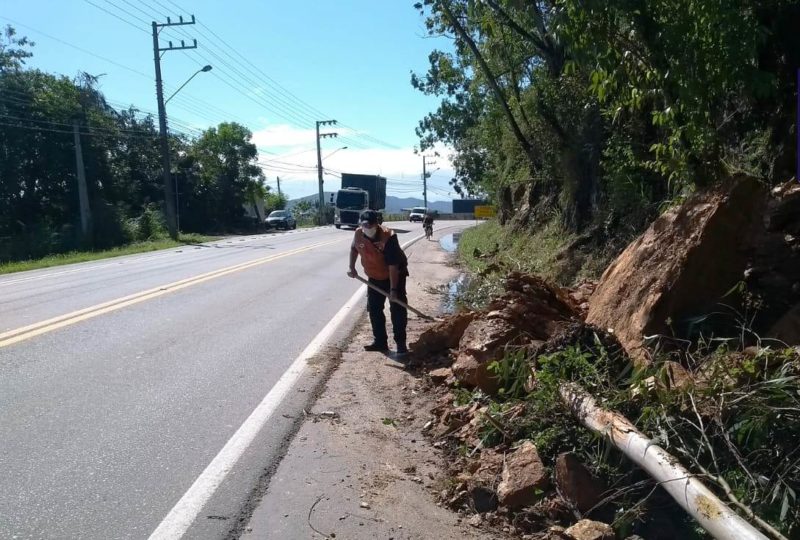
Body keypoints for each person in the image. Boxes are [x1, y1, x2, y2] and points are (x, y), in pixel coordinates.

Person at [348, 210, 409, 355]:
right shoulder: (358, 233)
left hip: (395, 277)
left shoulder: (389, 237)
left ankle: (401, 344)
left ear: (377, 224)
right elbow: (354, 248)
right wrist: (352, 267)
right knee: (374, 309)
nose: (368, 228)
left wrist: (393, 290)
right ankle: (380, 342)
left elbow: (393, 266)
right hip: (374, 277)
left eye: (371, 225)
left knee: (397, 310)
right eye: (364, 225)